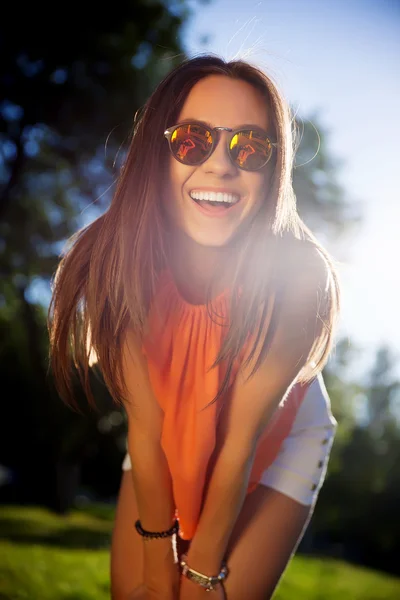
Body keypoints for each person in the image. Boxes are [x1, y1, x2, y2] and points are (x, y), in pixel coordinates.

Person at [48, 55, 340, 600]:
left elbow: (237, 447)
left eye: (248, 148)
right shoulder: (116, 263)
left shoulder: (300, 278)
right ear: (159, 155)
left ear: (272, 169)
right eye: (191, 140)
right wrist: (159, 576)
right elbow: (148, 426)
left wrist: (198, 576)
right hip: (165, 422)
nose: (220, 167)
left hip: (277, 434)